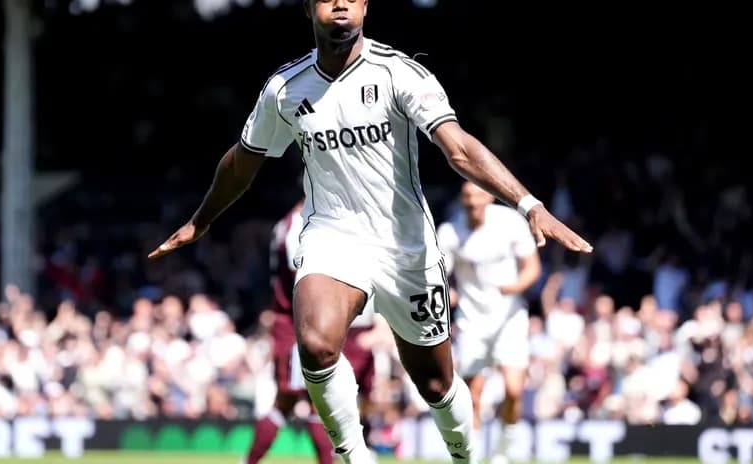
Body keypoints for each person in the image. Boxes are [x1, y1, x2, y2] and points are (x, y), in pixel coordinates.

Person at [148, 1, 592, 462]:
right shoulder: (284, 87)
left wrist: (528, 204)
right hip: (331, 235)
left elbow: (458, 149)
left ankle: (465, 454)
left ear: (365, 6)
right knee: (317, 346)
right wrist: (200, 221)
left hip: (406, 247)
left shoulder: (399, 73)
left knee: (436, 384)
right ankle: (355, 456)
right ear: (308, 8)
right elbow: (243, 160)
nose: (340, 2)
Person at [247, 196, 379, 464]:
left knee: (312, 401)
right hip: (304, 327)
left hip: (314, 326)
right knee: (313, 401)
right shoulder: (299, 226)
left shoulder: (294, 224)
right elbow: (308, 279)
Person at [438, 181, 541, 464]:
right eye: (467, 196)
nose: (472, 202)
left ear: (490, 198)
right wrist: (449, 294)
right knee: (472, 393)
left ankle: (503, 453)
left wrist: (514, 286)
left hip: (509, 317)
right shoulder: (449, 232)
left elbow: (533, 268)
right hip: (472, 320)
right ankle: (472, 455)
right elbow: (437, 276)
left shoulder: (511, 224)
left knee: (514, 390)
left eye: (477, 195)